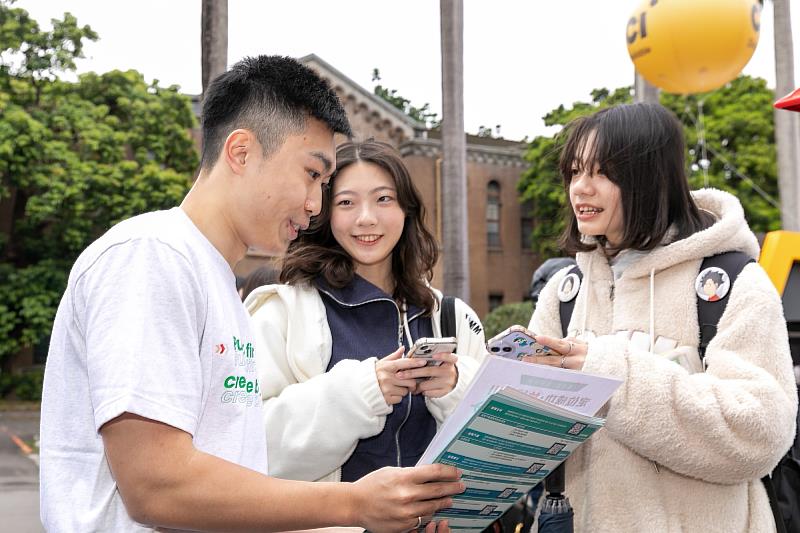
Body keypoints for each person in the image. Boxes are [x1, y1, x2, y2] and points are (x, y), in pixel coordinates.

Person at [39, 56, 464, 533]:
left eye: (324, 184)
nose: (315, 204)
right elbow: (157, 485)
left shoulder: (217, 284)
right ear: (240, 152)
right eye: (311, 174)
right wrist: (353, 504)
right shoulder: (152, 255)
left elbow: (237, 486)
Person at [524, 103, 797, 532]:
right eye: (574, 172)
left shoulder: (732, 282)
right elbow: (533, 439)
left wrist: (608, 374)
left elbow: (760, 433)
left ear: (649, 178)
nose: (580, 188)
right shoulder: (564, 291)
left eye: (601, 173)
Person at [245, 140, 486, 484]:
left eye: (383, 198)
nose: (366, 218)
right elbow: (249, 447)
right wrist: (359, 394)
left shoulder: (452, 317)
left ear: (407, 209)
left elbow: (494, 456)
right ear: (325, 214)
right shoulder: (282, 312)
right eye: (346, 203)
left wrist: (456, 389)